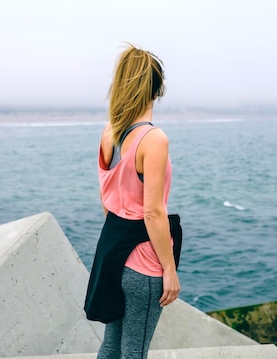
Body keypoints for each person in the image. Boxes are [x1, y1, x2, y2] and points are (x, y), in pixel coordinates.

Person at [84, 44, 182, 359]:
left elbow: (107, 198)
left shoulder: (109, 133)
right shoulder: (154, 140)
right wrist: (169, 269)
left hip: (112, 253)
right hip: (143, 262)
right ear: (157, 88)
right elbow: (153, 212)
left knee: (111, 345)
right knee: (134, 352)